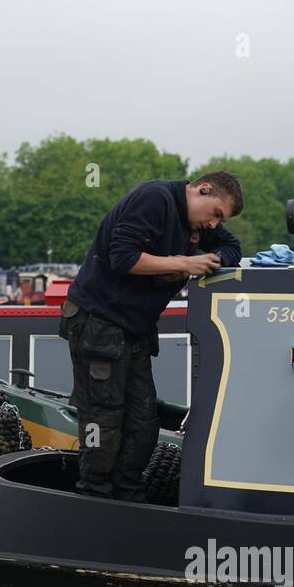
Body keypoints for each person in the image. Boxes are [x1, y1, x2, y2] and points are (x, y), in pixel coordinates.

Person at [59, 172, 244, 501]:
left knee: (144, 421)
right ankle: (93, 498)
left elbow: (232, 246)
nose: (215, 225)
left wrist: (213, 262)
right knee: (102, 419)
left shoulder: (198, 226)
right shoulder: (154, 199)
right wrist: (184, 263)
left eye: (221, 219)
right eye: (216, 213)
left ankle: (128, 497)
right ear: (202, 189)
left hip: (135, 329)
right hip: (98, 324)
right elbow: (123, 257)